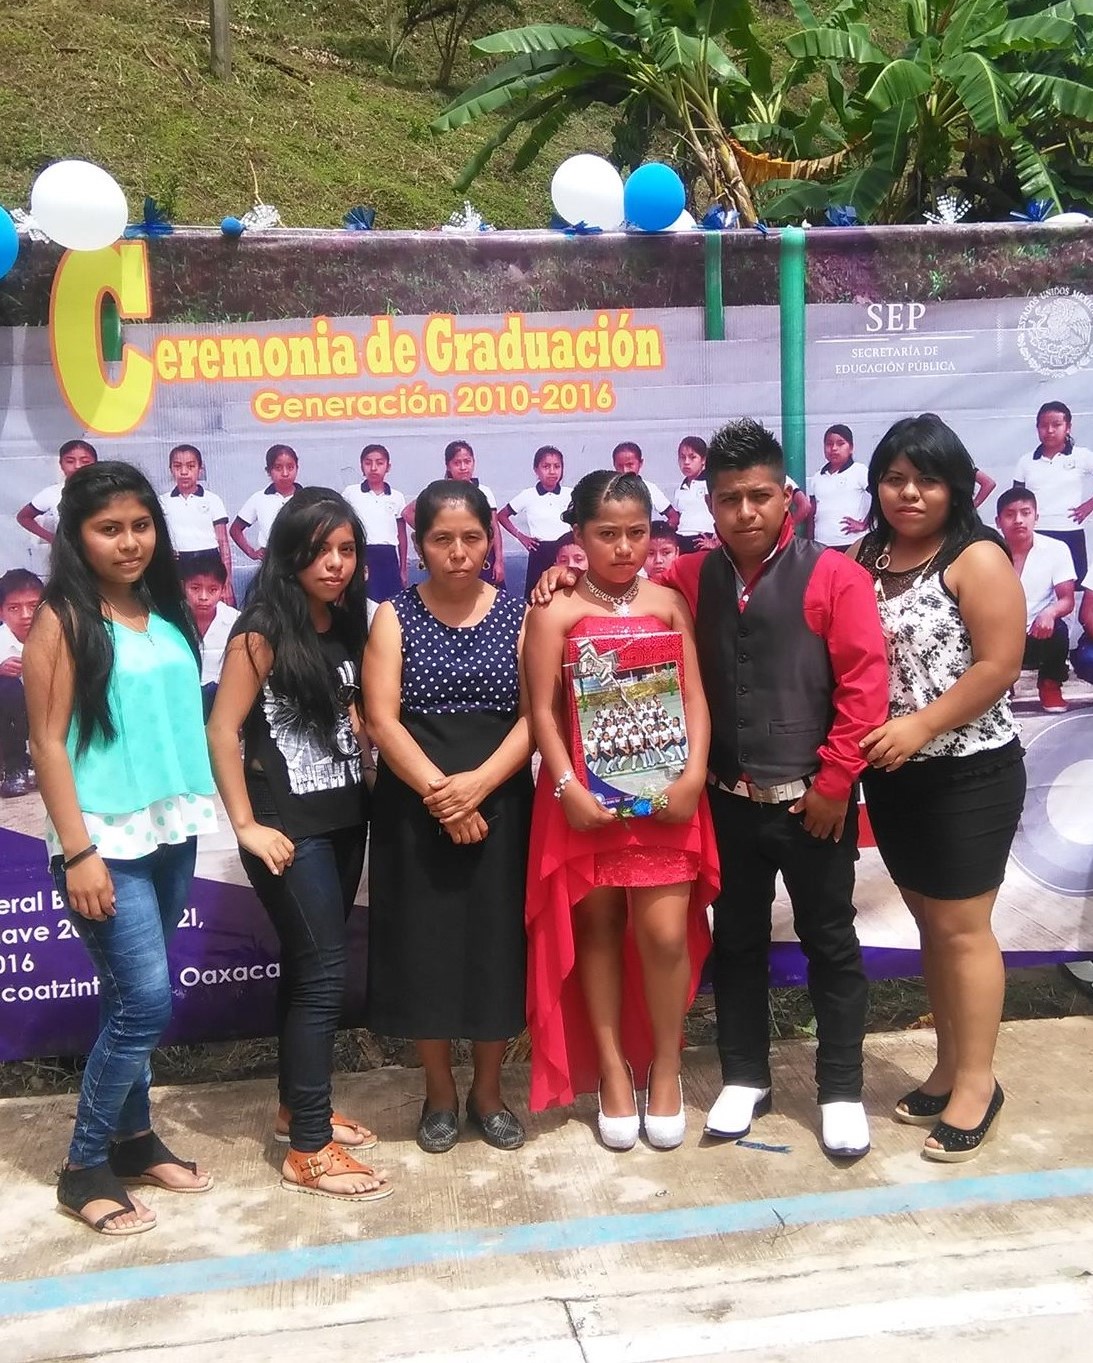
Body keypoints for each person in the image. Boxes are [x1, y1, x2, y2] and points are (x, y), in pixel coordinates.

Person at [23, 461, 215, 1236]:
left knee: (124, 997)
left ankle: (134, 1139)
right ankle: (83, 1167)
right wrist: (78, 852)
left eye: (140, 525)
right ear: (77, 536)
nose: (129, 541)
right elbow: (47, 743)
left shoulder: (161, 608)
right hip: (103, 841)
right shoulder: (62, 618)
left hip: (170, 830)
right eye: (110, 529)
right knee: (144, 1003)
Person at [524, 471, 717, 1150]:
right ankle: (611, 1069)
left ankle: (665, 1064)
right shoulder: (554, 610)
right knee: (598, 932)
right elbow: (541, 711)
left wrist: (694, 774)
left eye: (636, 532)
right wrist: (566, 787)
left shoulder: (668, 603)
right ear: (578, 535)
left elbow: (693, 695)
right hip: (584, 802)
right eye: (607, 533)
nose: (624, 546)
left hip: (666, 799)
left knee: (664, 935)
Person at [207, 488, 391, 1202]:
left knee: (307, 967)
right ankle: (308, 1148)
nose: (335, 563)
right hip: (288, 831)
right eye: (319, 550)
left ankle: (296, 1108)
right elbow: (223, 731)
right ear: (288, 553)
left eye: (346, 549)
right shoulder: (260, 629)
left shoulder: (344, 622)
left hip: (344, 818)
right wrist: (247, 826)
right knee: (322, 977)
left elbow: (352, 716)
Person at [852, 413, 1027, 1163]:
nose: (909, 492)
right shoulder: (864, 555)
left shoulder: (975, 556)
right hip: (896, 777)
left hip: (968, 770)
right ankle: (951, 1067)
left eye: (926, 478)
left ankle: (979, 1085)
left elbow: (1000, 664)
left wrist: (921, 725)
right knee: (931, 925)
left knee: (962, 929)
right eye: (894, 478)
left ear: (955, 484)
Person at [364, 480, 533, 1153]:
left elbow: (536, 717)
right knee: (424, 947)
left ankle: (488, 1092)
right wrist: (443, 795)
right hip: (415, 804)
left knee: (495, 946)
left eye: (470, 537)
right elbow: (381, 718)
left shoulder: (519, 614)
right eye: (442, 539)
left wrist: (480, 786)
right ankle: (437, 1091)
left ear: (489, 541)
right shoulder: (393, 615)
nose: (457, 552)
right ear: (419, 546)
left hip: (501, 799)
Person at [995, 487, 1076, 714]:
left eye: (1025, 512)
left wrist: (1050, 612)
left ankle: (1050, 685)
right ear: (998, 522)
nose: (1018, 520)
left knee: (1058, 628)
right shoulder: (986, 551)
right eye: (1010, 514)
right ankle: (1000, 685)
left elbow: (1067, 600)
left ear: (1036, 517)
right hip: (997, 635)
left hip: (1037, 632)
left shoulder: (1057, 549)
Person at [1013, 401, 1093, 588]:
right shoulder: (1026, 462)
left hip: (1069, 531)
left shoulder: (1082, 456)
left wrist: (1089, 505)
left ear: (1068, 427)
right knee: (1036, 585)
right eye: (1044, 425)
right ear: (1037, 428)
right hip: (1036, 532)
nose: (1049, 430)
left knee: (1071, 586)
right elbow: (1016, 499)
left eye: (1056, 425)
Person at [405, 441, 505, 587]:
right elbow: (408, 512)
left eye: (467, 461)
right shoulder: (440, 493)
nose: (463, 467)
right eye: (457, 463)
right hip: (452, 554)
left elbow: (494, 526)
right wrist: (435, 533)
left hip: (480, 554)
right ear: (448, 466)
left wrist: (499, 561)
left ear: (473, 462)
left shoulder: (484, 491)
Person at [158, 444, 235, 604]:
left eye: (190, 466)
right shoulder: (162, 501)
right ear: (170, 469)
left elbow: (223, 543)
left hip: (209, 561)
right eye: (177, 466)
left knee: (213, 607)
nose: (184, 472)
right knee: (181, 608)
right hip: (177, 564)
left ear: (200, 468)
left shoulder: (212, 500)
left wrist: (227, 582)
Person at [497, 445, 573, 600]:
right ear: (536, 470)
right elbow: (502, 516)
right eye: (546, 466)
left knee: (565, 594)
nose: (552, 471)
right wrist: (521, 536)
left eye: (557, 466)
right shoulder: (528, 495)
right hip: (540, 551)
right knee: (537, 596)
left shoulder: (570, 494)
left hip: (565, 550)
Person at [342, 443, 408, 607]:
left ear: (388, 467)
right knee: (363, 603)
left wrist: (403, 569)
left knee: (391, 604)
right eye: (368, 463)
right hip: (362, 554)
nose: (373, 468)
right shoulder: (351, 493)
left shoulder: (397, 497)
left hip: (388, 558)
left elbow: (401, 535)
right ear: (361, 466)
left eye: (379, 463)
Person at [178, 551, 241, 719]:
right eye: (195, 588)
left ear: (223, 589)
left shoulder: (236, 621)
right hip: (181, 696)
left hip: (223, 700)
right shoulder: (172, 620)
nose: (203, 597)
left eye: (212, 589)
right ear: (183, 586)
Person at [16, 440, 98, 564]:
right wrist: (52, 539)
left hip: (102, 555)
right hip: (68, 559)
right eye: (70, 461)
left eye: (85, 461)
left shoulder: (108, 491)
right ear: (61, 464)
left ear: (95, 464)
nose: (77, 466)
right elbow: (23, 517)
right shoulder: (51, 493)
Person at [0, 568, 43, 797]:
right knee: (7, 687)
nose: (26, 615)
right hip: (13, 718)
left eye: (33, 605)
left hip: (52, 710)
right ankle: (15, 767)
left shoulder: (60, 634)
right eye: (14, 608)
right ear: (1, 612)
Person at [230, 444, 301, 563]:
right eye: (278, 468)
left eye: (290, 467)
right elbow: (235, 529)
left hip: (302, 559)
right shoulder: (259, 498)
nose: (285, 473)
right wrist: (251, 552)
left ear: (297, 468)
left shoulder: (307, 498)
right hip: (271, 561)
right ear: (268, 471)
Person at [807, 424, 870, 549]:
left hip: (852, 543)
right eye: (829, 444)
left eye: (840, 444)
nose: (834, 448)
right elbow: (811, 513)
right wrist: (810, 542)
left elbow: (880, 496)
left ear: (851, 448)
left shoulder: (859, 471)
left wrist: (865, 524)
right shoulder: (817, 477)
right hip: (822, 544)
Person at [672, 436, 717, 552]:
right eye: (682, 457)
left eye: (692, 457)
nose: (686, 462)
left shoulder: (711, 483)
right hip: (681, 540)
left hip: (702, 540)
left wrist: (716, 542)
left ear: (703, 460)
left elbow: (722, 515)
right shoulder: (680, 489)